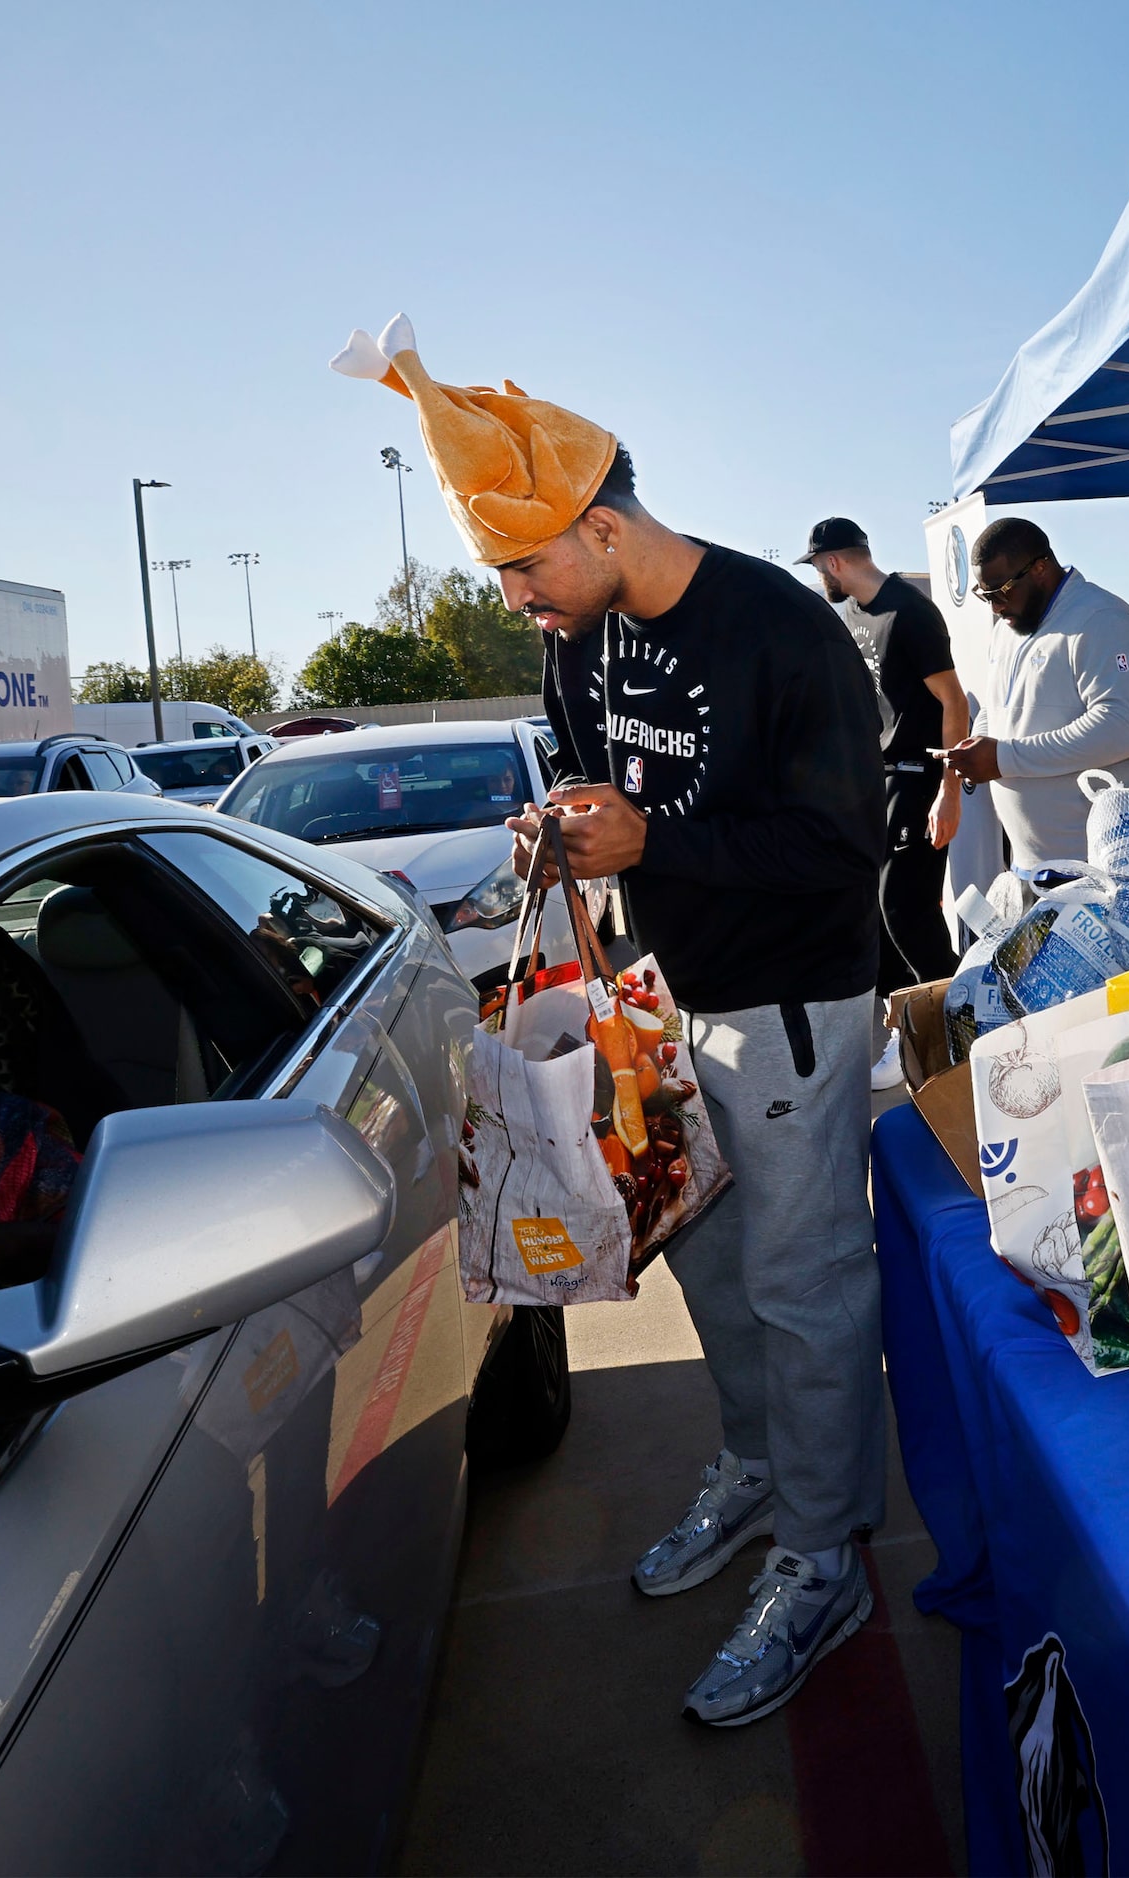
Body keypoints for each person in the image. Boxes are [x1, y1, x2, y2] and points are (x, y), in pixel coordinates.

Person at [333, 317, 888, 1726]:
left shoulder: (778, 627)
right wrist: (569, 831)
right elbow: (607, 794)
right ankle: (764, 1474)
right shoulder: (578, 643)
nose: (518, 597)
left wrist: (654, 843)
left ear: (601, 520)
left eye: (526, 565)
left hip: (790, 1006)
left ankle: (828, 1560)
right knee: (705, 1265)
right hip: (668, 1004)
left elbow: (844, 847)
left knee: (806, 1286)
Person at [797, 516, 966, 1085]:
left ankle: (960, 1031)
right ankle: (906, 1034)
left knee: (906, 909)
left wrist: (950, 791)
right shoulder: (847, 615)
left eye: (820, 566)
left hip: (921, 775)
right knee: (879, 912)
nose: (821, 576)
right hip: (876, 780)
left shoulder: (910, 612)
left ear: (836, 562)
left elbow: (954, 704)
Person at [940, 518, 1129, 872]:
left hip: (1107, 870)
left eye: (1001, 591)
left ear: (1040, 568)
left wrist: (1003, 758)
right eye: (986, 596)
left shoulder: (1102, 618)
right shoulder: (1008, 628)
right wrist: (979, 741)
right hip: (1034, 866)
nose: (995, 607)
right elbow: (997, 708)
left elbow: (1123, 728)